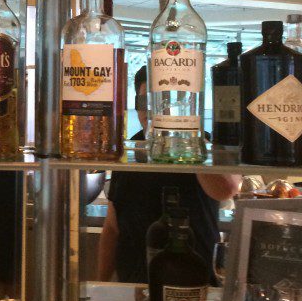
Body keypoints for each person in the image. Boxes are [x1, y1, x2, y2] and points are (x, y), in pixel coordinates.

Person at [97, 66, 241, 284]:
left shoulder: (204, 145)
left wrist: (185, 136)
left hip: (194, 287)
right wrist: (101, 285)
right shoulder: (131, 149)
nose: (154, 111)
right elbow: (113, 227)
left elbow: (227, 188)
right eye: (146, 103)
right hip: (135, 288)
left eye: (164, 102)